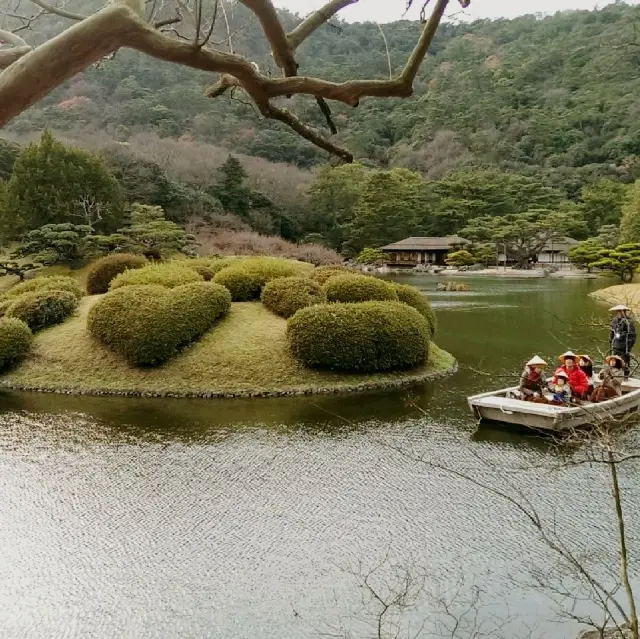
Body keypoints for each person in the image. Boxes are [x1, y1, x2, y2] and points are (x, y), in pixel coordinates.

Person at [609, 304, 636, 379]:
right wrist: (611, 339)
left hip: (625, 345)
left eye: (620, 311)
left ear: (624, 312)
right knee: (614, 360)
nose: (618, 313)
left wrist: (629, 345)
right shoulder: (614, 320)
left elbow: (632, 335)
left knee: (625, 361)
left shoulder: (629, 322)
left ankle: (625, 376)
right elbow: (612, 331)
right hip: (616, 344)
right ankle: (613, 375)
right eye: (617, 312)